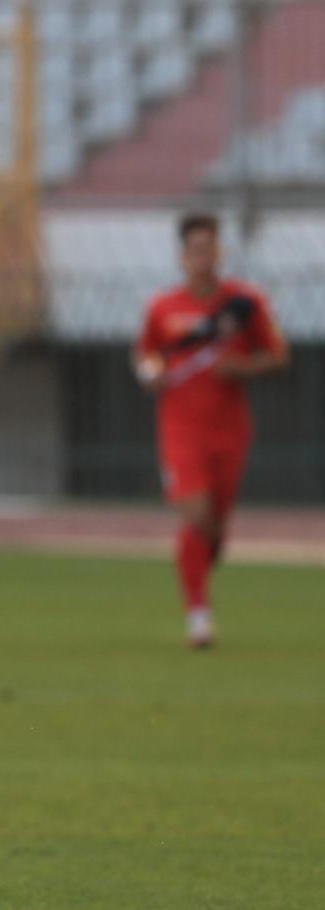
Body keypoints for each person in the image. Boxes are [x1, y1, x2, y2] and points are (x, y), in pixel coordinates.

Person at [133, 213, 287, 649]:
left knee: (213, 527)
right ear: (182, 256)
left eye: (210, 249)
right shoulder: (163, 307)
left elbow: (278, 356)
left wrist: (244, 366)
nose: (203, 259)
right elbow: (146, 356)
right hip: (180, 429)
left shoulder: (244, 303)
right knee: (195, 514)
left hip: (231, 430)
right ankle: (199, 617)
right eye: (195, 250)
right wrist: (151, 374)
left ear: (220, 252)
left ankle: (204, 555)